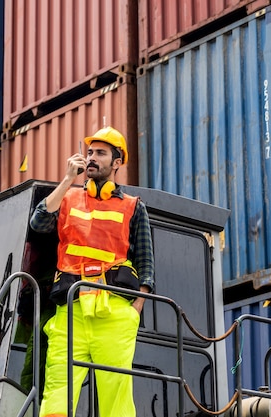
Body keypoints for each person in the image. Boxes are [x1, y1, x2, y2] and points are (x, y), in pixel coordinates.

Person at [29, 126, 155, 417]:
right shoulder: (68, 199)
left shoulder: (133, 207)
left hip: (114, 312)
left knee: (116, 396)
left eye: (100, 153)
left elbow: (146, 262)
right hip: (70, 314)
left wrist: (137, 306)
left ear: (117, 163)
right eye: (89, 152)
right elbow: (39, 224)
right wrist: (67, 180)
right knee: (57, 391)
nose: (92, 158)